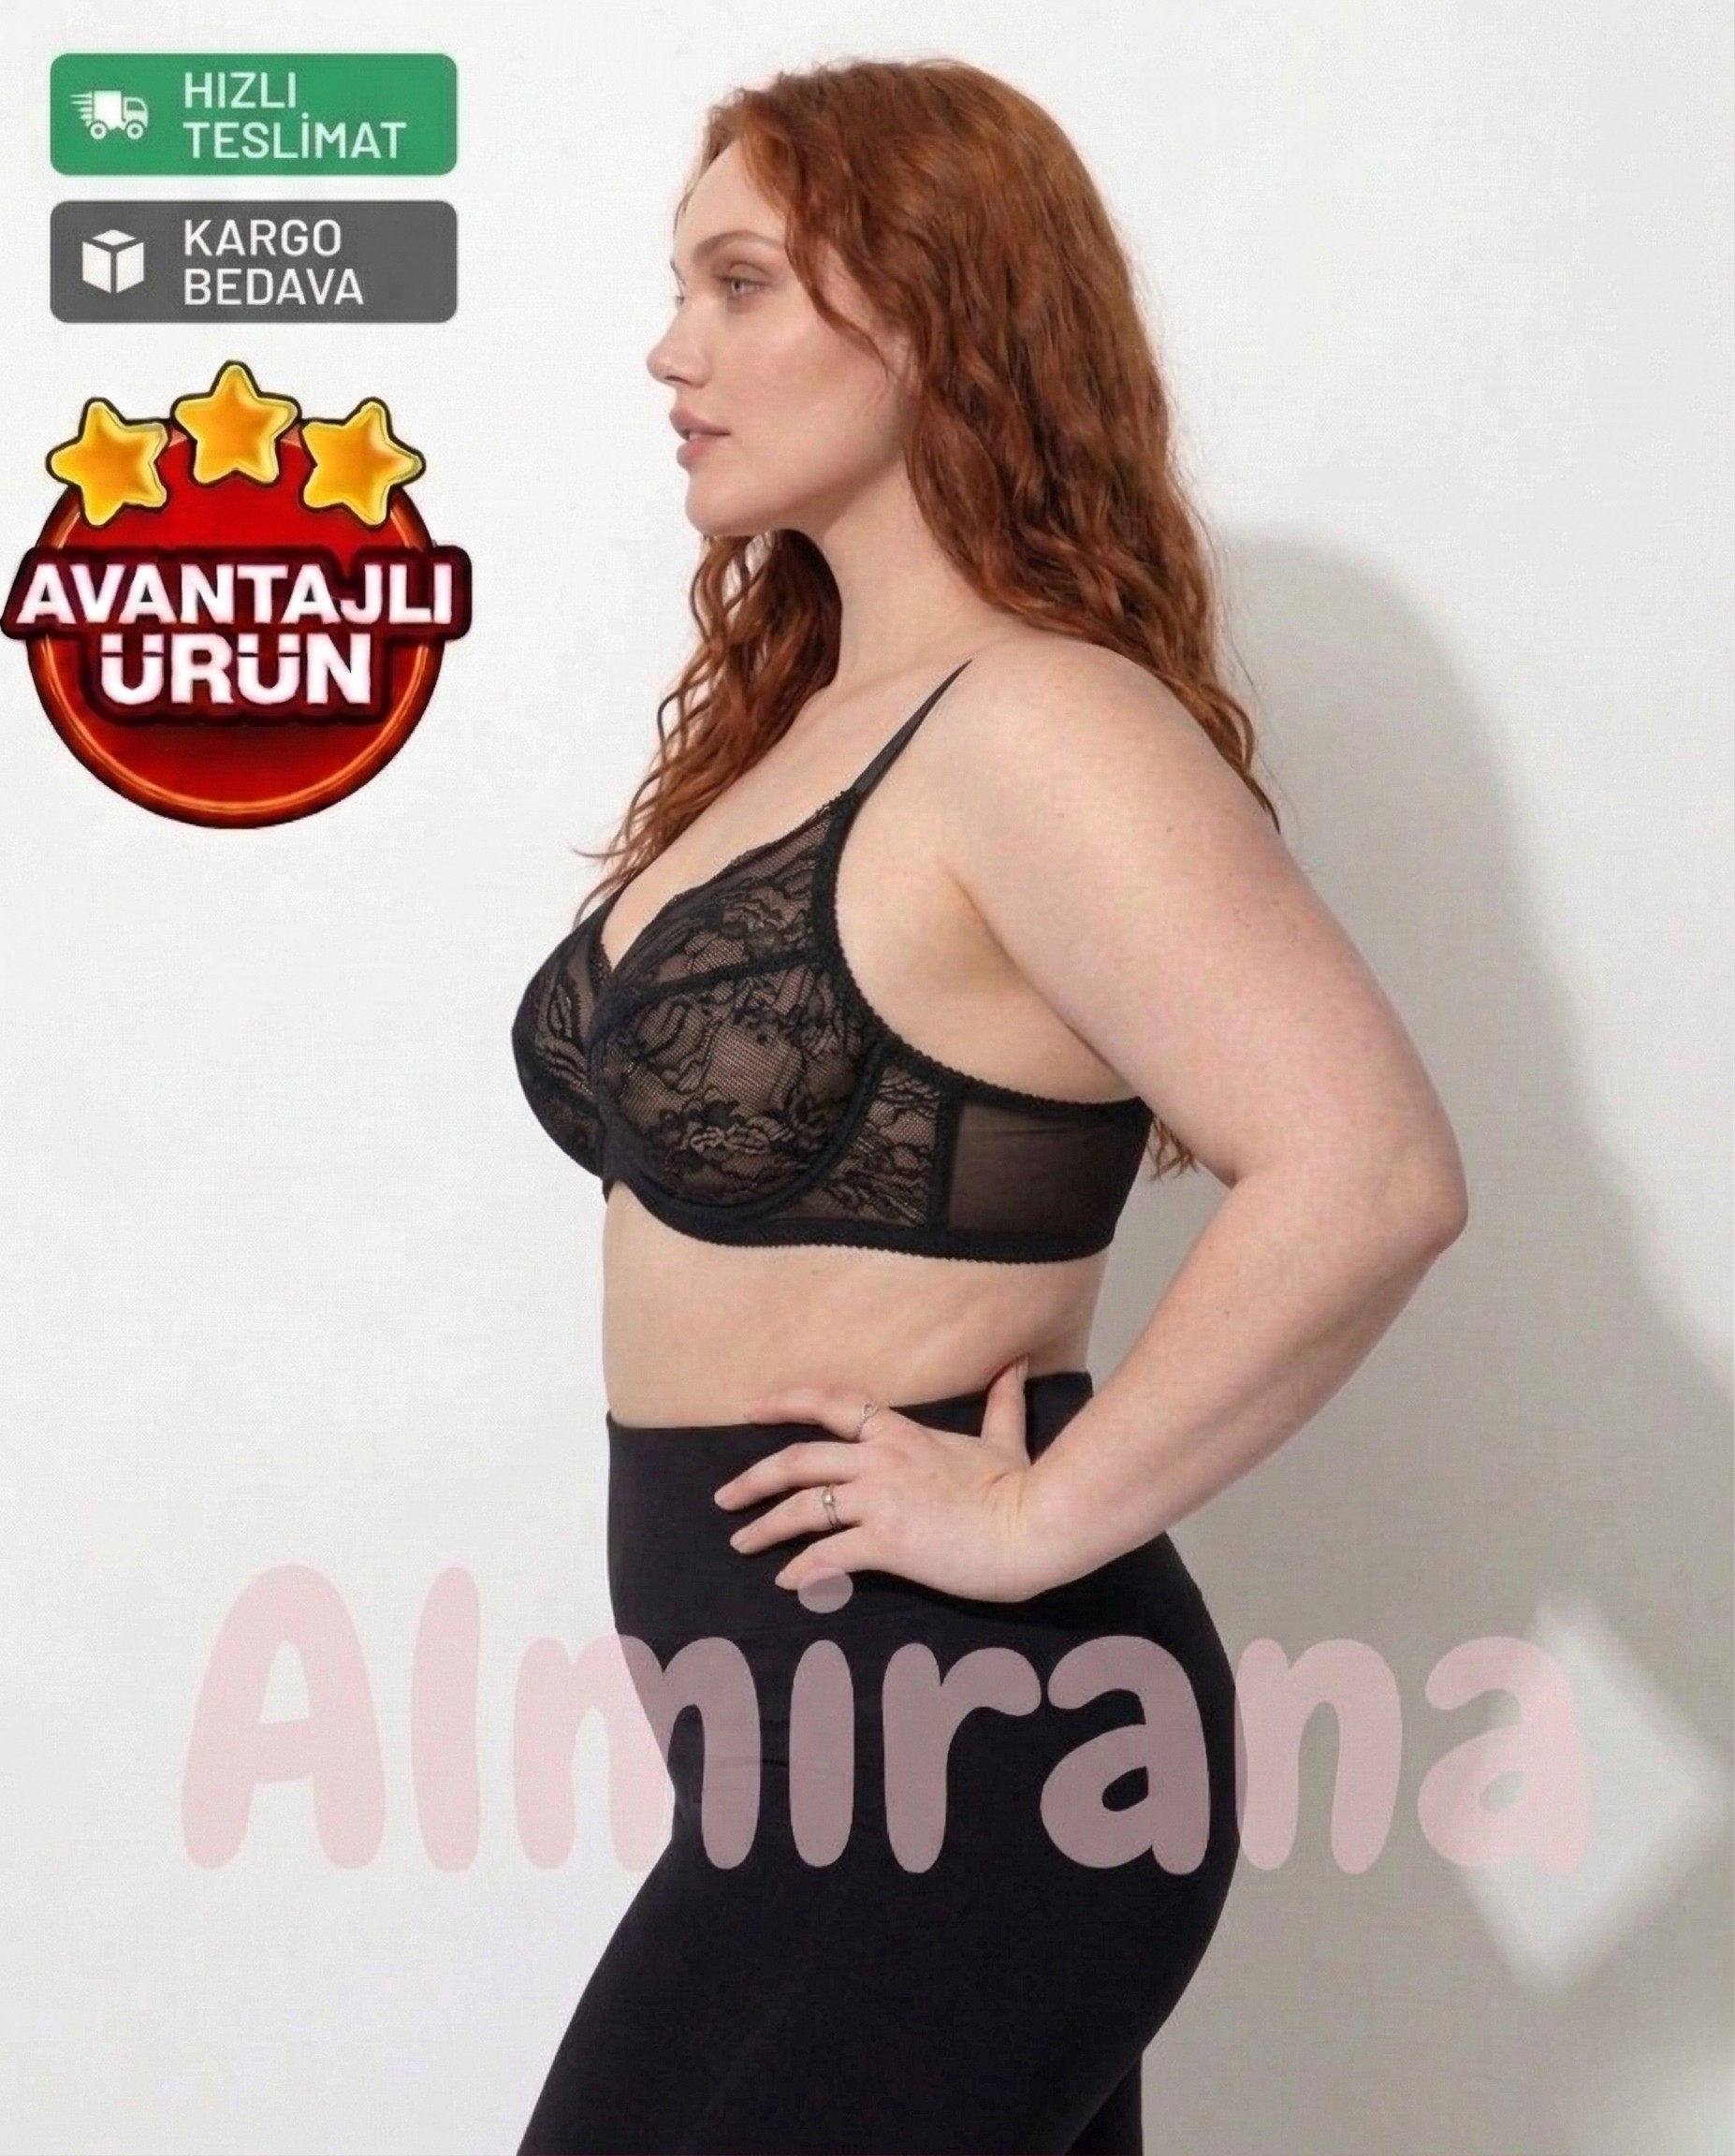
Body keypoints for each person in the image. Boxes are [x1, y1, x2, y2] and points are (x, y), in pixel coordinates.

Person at [511, 54, 1467, 2156]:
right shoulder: (812, 721)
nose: (671, 351)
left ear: (936, 312)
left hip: (971, 1760)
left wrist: (1034, 1515)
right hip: (808, 1767)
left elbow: (1372, 1170)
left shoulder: (1043, 725)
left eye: (740, 284)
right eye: (679, 286)